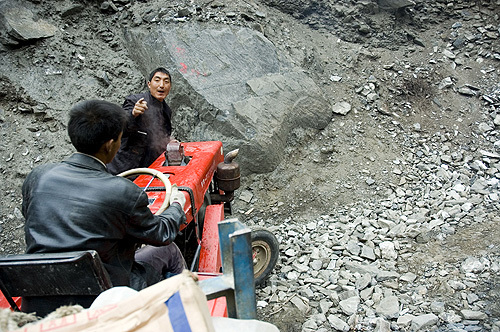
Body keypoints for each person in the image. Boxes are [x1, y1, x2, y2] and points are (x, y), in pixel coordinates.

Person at [22, 100, 187, 295]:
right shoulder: (123, 191)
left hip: (42, 286)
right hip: (104, 292)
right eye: (120, 138)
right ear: (110, 145)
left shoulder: (37, 176)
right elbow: (161, 234)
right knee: (170, 250)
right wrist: (176, 204)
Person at [107, 67, 175, 175]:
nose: (161, 85)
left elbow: (159, 137)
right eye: (157, 80)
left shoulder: (167, 110)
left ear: (170, 87)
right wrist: (133, 114)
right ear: (149, 84)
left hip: (147, 169)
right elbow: (119, 126)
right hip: (124, 167)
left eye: (166, 81)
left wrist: (167, 141)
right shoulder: (135, 101)